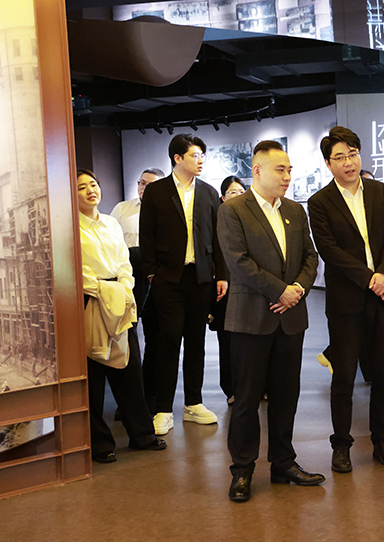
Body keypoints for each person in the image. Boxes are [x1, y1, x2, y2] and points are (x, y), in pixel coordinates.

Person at [217, 140, 322, 503]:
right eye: (281, 170)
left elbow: (310, 257)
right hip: (251, 318)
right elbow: (238, 262)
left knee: (286, 395)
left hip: (290, 318)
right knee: (246, 399)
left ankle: (283, 463)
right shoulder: (233, 210)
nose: (287, 176)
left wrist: (298, 289)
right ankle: (242, 470)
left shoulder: (295, 210)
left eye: (290, 170)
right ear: (257, 171)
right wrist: (281, 291)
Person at [308, 127, 384, 474]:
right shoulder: (320, 202)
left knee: (382, 375)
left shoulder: (378, 191)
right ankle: (341, 445)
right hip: (347, 300)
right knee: (344, 377)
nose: (348, 162)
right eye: (340, 157)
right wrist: (368, 277)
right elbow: (328, 249)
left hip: (383, 295)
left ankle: (383, 440)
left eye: (353, 154)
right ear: (328, 164)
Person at [139, 134, 228, 435]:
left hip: (201, 277)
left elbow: (218, 237)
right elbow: (146, 234)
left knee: (196, 341)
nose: (200, 160)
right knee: (168, 340)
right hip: (168, 278)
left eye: (202, 155)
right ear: (177, 158)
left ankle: (194, 403)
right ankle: (163, 408)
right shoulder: (157, 191)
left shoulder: (209, 192)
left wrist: (222, 275)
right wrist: (152, 274)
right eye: (194, 155)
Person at [77, 169, 166, 463]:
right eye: (81, 187)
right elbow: (75, 271)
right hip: (90, 300)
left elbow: (125, 262)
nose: (90, 190)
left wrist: (124, 288)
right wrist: (103, 291)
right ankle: (100, 443)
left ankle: (142, 435)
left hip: (120, 298)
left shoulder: (111, 223)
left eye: (93, 184)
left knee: (129, 369)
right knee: (93, 374)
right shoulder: (70, 228)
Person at [110, 167, 164, 416]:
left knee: (155, 340)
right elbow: (111, 243)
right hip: (127, 279)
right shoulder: (122, 209)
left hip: (156, 280)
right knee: (127, 339)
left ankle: (149, 396)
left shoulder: (166, 210)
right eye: (142, 183)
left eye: (150, 184)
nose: (144, 188)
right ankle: (128, 402)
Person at [209, 175, 246, 405]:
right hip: (226, 288)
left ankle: (258, 387)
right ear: (223, 197)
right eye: (233, 192)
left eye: (241, 191)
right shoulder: (217, 220)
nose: (238, 195)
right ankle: (231, 388)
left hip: (250, 287)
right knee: (228, 340)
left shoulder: (253, 218)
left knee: (253, 341)